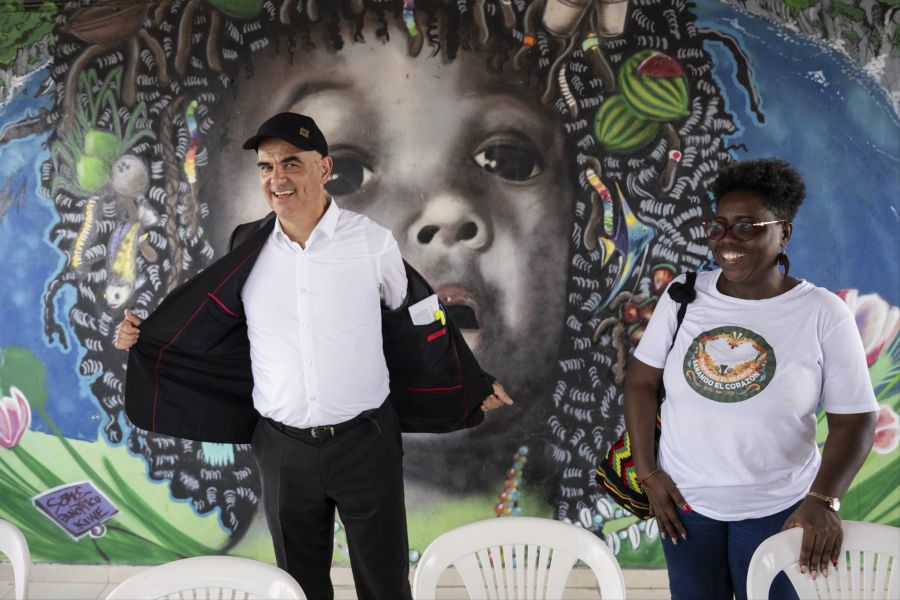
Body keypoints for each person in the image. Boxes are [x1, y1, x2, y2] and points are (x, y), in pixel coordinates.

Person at [114, 111, 513, 599]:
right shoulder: (248, 248)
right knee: (298, 590)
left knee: (385, 587)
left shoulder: (371, 245)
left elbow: (420, 318)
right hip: (283, 450)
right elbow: (204, 330)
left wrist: (470, 384)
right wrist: (145, 337)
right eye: (265, 167)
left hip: (366, 442)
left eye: (291, 163)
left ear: (324, 169)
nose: (277, 178)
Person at [623, 158, 877, 599]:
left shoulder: (822, 313)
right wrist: (647, 474)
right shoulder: (684, 294)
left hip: (778, 510)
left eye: (748, 227)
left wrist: (821, 502)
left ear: (785, 233)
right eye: (718, 226)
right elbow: (641, 383)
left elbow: (855, 421)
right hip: (685, 506)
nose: (727, 241)